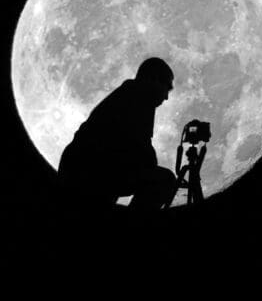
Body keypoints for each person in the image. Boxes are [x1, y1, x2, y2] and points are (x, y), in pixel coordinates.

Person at [57, 57, 177, 211]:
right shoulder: (137, 97)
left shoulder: (131, 95)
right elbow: (143, 151)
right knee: (164, 180)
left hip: (87, 168)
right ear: (153, 79)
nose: (166, 97)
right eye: (167, 87)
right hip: (87, 171)